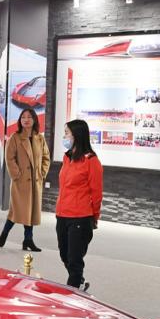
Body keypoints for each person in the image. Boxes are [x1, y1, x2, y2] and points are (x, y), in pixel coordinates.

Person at [55, 119, 103, 291]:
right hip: (62, 214)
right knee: (64, 254)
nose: (64, 136)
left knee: (75, 259)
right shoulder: (67, 157)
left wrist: (94, 217)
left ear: (77, 135)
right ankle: (79, 281)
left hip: (80, 216)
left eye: (67, 133)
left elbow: (96, 193)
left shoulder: (91, 161)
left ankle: (72, 294)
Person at [0, 107, 51, 251]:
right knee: (17, 210)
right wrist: (17, 175)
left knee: (30, 212)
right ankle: (5, 232)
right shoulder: (15, 138)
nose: (26, 120)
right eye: (23, 117)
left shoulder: (39, 138)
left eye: (29, 117)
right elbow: (9, 158)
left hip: (35, 182)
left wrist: (42, 173)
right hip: (20, 182)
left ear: (34, 119)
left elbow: (46, 157)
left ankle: (28, 240)